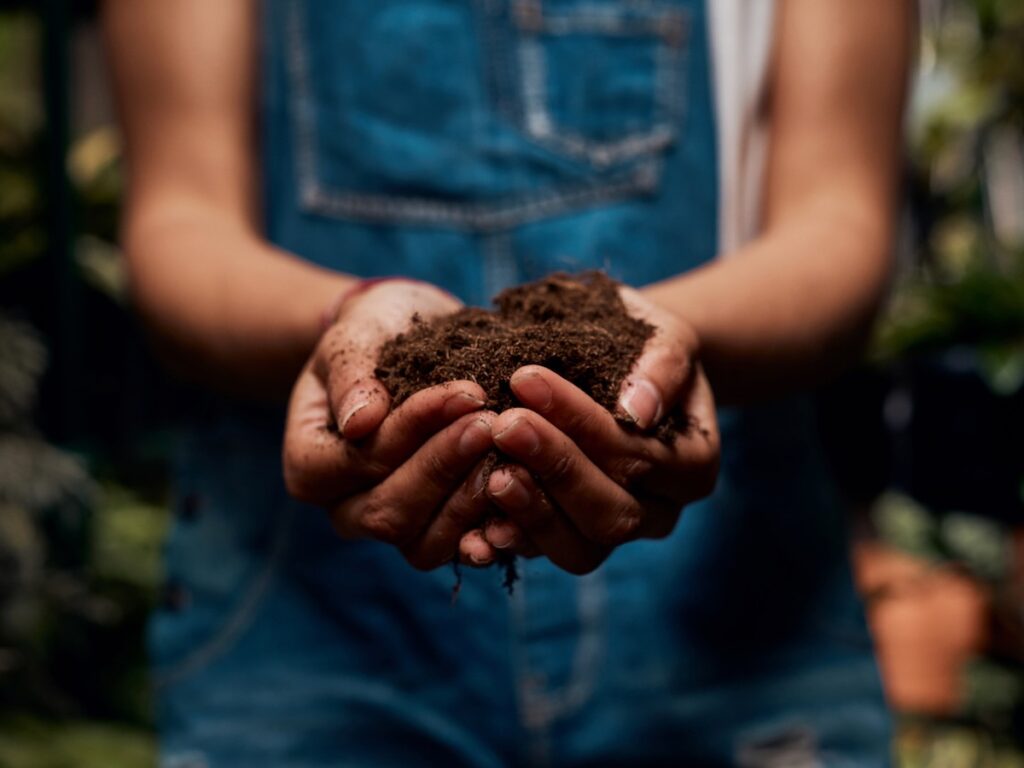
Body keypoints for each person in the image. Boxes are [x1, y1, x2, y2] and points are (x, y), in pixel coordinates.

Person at [104, 0, 912, 765]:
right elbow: (180, 219)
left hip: (730, 612)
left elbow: (841, 219)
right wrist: (346, 317)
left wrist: (652, 342)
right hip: (308, 622)